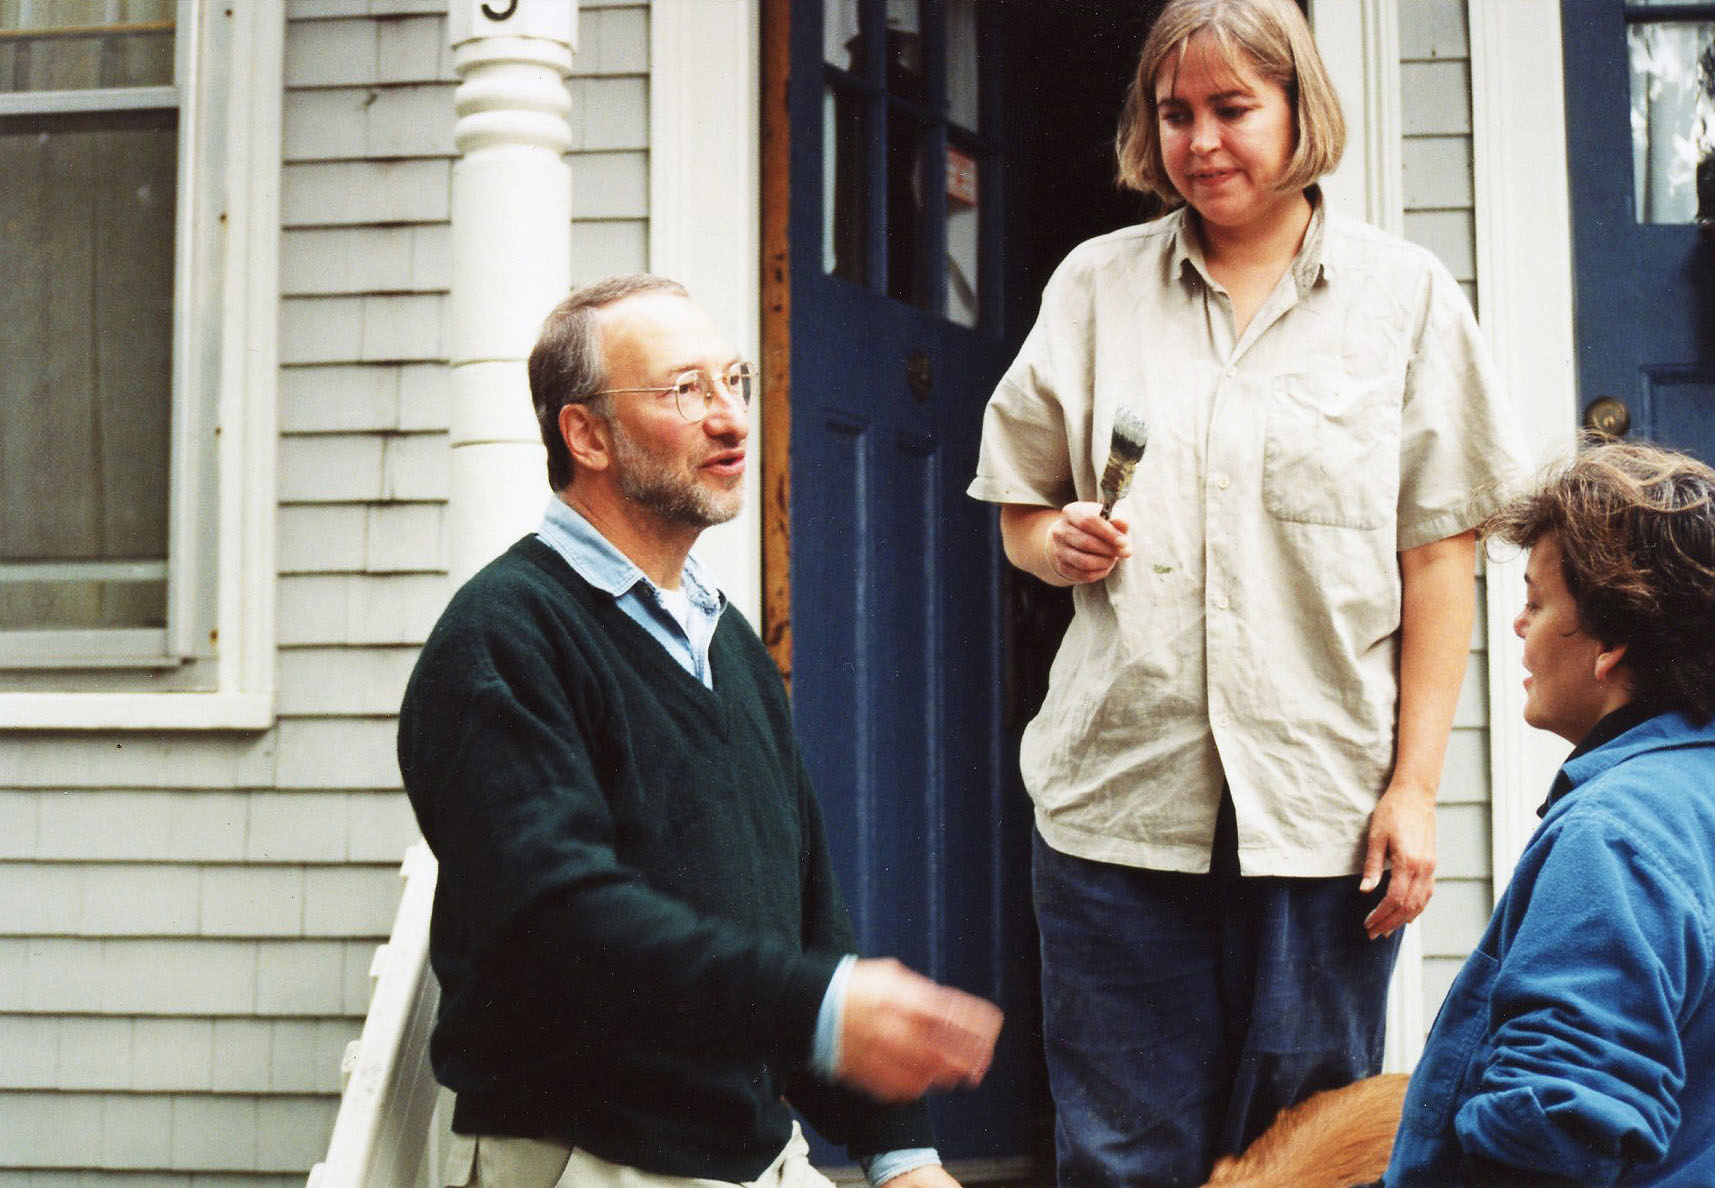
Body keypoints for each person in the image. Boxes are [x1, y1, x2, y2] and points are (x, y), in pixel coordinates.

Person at [965, 0, 1526, 1182]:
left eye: (1231, 109)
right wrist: (1048, 541)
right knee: (1120, 1157)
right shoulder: (1093, 288)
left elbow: (1440, 556)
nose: (1200, 141)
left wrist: (1414, 790)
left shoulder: (1405, 298)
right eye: (1174, 114)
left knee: (1305, 1155)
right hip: (1116, 811)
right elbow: (1017, 505)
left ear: (1297, 110)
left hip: (1320, 819)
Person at [399, 273, 1003, 1188]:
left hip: (754, 1155)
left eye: (734, 383)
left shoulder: (723, 638)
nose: (730, 419)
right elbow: (560, 925)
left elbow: (804, 915)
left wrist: (900, 1152)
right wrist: (824, 1010)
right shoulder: (503, 638)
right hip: (594, 1160)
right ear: (586, 434)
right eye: (686, 391)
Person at [1386, 441, 1715, 1186]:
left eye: (1535, 602)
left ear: (1610, 642)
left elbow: (1554, 1131)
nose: (1516, 626)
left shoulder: (1616, 837)